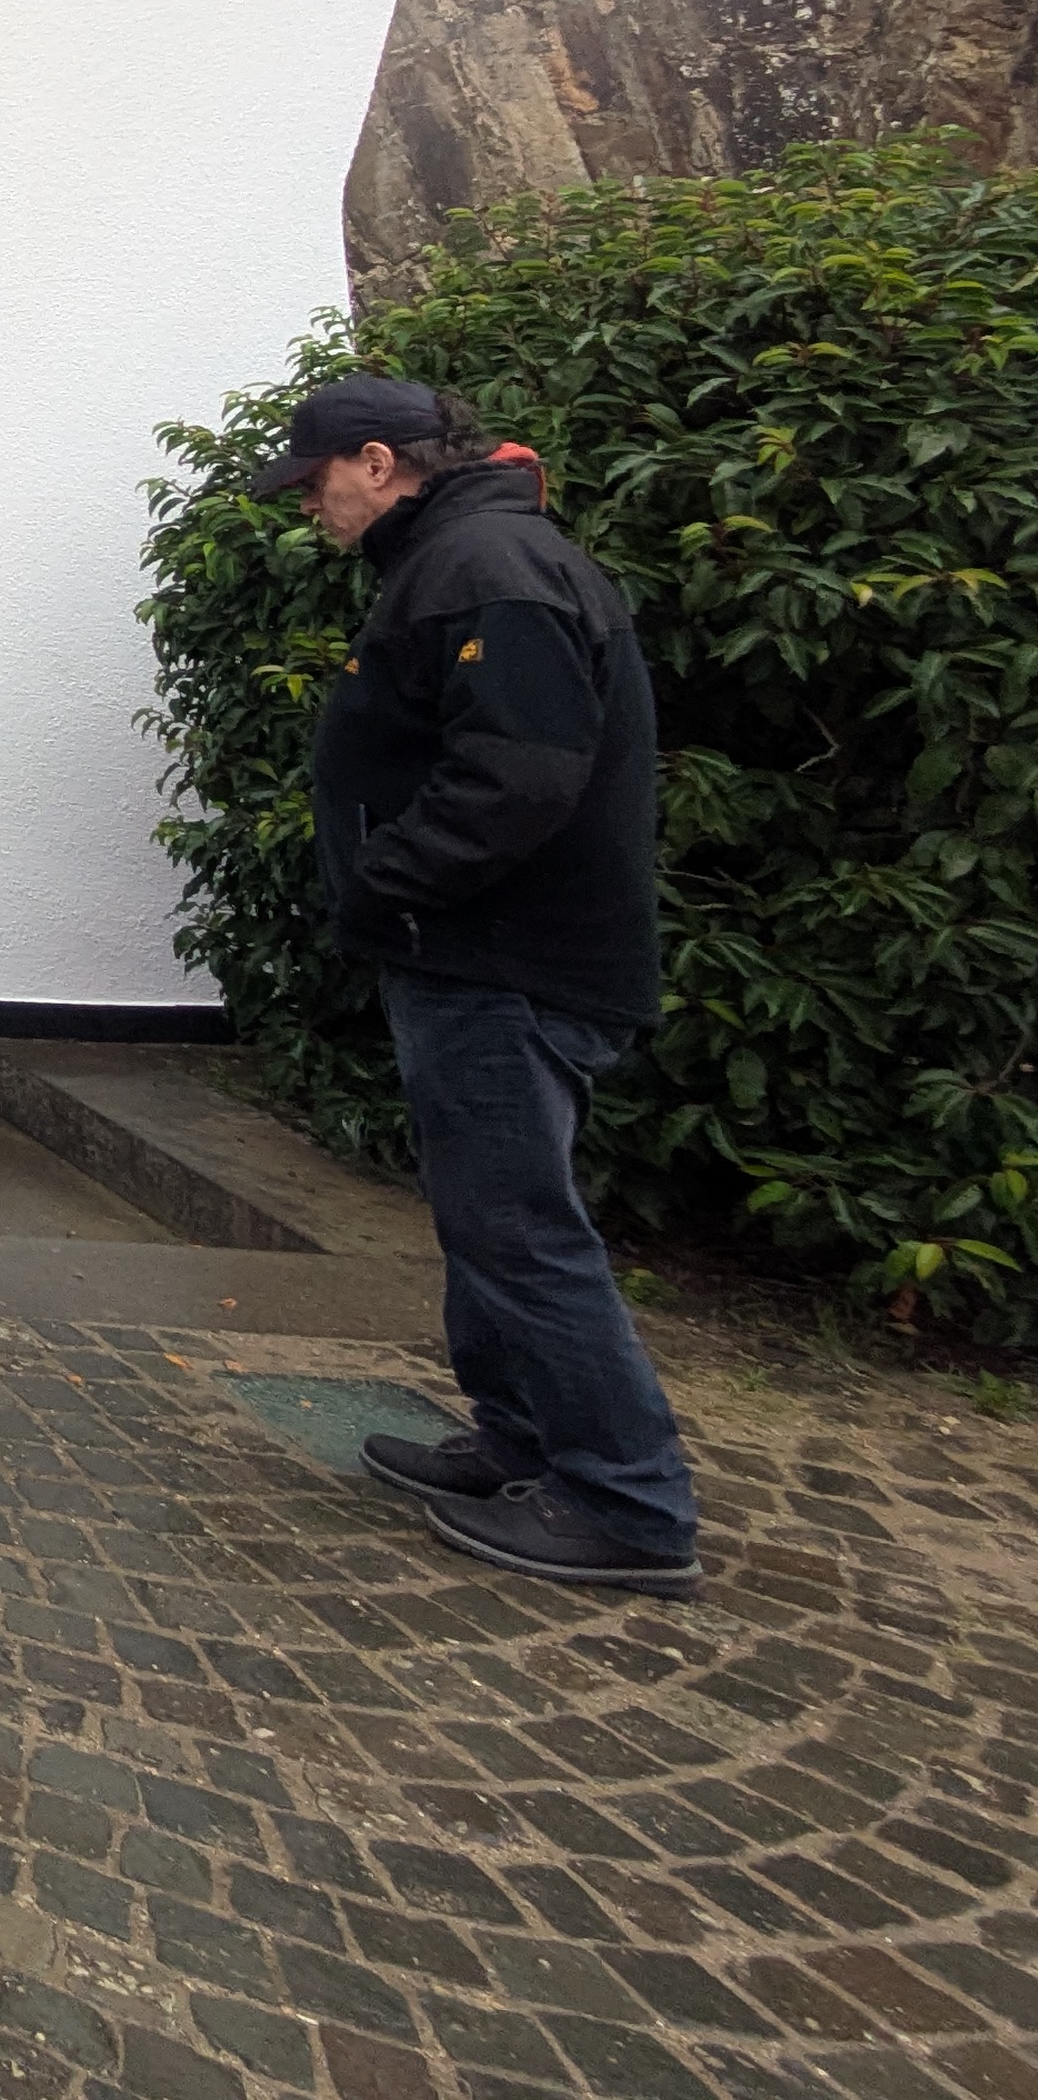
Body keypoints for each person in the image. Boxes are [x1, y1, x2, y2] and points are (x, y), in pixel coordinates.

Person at [257, 376, 698, 1594]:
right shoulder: (463, 558)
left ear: (379, 461)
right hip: (475, 956)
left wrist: (384, 883)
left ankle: (626, 1502)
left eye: (314, 482)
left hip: (504, 963)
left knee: (519, 1228)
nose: (309, 507)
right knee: (484, 1219)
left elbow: (517, 776)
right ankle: (521, 1440)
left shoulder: (489, 566)